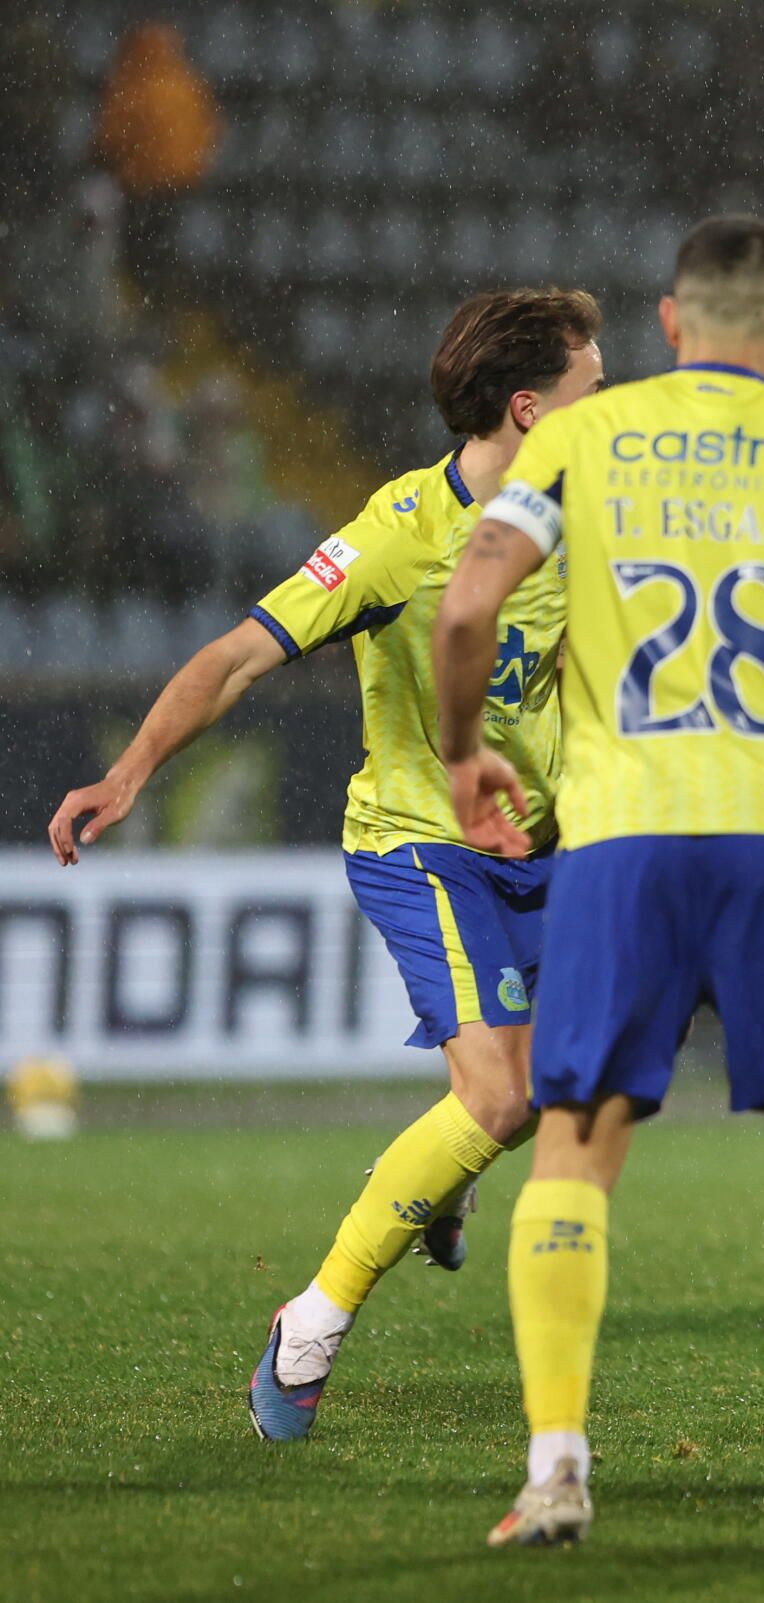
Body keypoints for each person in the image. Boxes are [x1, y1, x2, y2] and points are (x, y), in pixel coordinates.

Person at [433, 216, 764, 1550]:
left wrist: (461, 753)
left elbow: (461, 610)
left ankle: (556, 1466)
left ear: (671, 324)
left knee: (578, 1141)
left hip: (622, 838)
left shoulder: (577, 435)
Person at [47, 288, 605, 1442]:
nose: (610, 408)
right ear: (525, 406)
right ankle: (311, 1324)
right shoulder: (401, 531)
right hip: (418, 841)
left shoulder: (587, 514)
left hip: (542, 849)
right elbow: (241, 655)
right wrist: (134, 767)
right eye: (592, 388)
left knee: (547, 1087)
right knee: (503, 1097)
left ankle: (434, 1186)